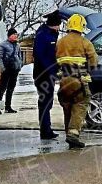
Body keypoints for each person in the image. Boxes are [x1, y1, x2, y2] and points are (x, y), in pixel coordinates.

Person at [56, 13, 98, 149]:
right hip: (79, 82)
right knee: (80, 105)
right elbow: (93, 63)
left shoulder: (60, 42)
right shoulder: (85, 43)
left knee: (67, 107)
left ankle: (69, 133)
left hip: (64, 82)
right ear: (82, 27)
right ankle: (73, 135)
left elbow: (55, 61)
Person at [33, 9, 62, 140]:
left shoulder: (50, 33)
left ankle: (46, 128)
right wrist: (51, 69)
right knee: (45, 102)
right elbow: (40, 55)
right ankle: (45, 130)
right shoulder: (42, 35)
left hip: (48, 73)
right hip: (43, 74)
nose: (59, 28)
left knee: (47, 102)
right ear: (54, 24)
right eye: (58, 25)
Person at [0, 27, 23, 114]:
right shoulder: (2, 45)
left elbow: (19, 56)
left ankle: (8, 107)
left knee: (11, 89)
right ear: (9, 36)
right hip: (6, 69)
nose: (15, 36)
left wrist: (20, 65)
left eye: (16, 34)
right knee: (2, 88)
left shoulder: (17, 45)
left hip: (15, 69)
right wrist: (2, 68)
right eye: (14, 34)